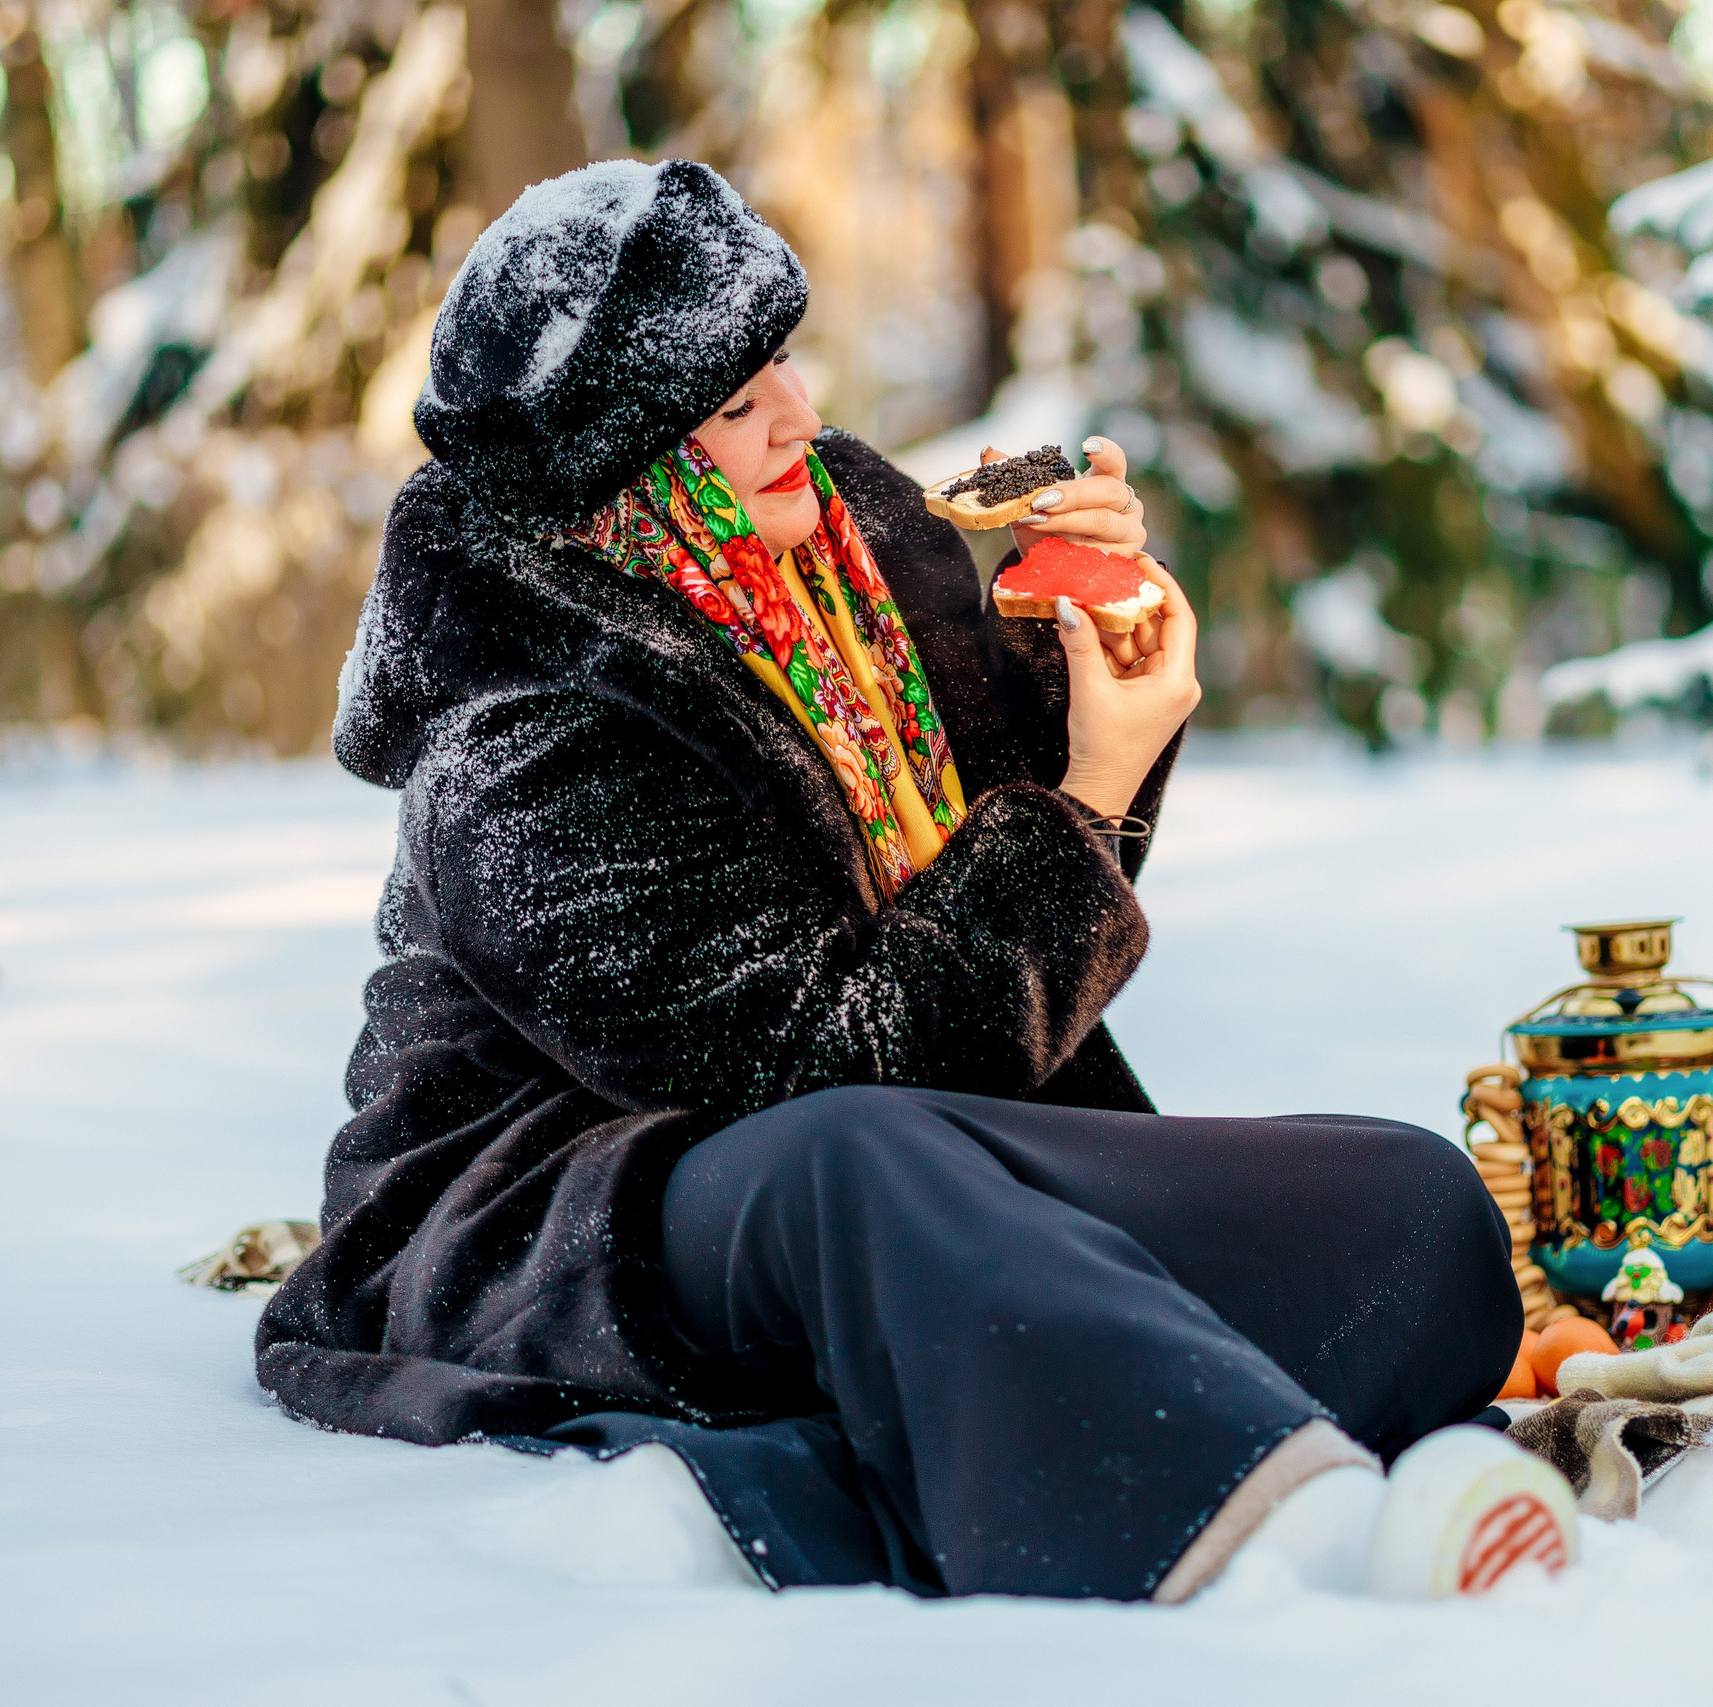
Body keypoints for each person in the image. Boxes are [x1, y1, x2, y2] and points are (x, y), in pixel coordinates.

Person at [257, 159, 1571, 1602]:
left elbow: (993, 900)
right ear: (626, 461)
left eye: (786, 366)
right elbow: (835, 1063)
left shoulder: (845, 550)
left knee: (1414, 1214)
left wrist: (1092, 674)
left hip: (922, 1164)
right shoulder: (523, 735)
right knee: (854, 1161)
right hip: (583, 1223)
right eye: (741, 404)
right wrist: (1088, 800)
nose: (801, 418)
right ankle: (1279, 1529)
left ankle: (882, 1471)